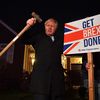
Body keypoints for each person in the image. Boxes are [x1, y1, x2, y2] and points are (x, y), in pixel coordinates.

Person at [22, 17, 66, 100]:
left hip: (57, 84)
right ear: (44, 26)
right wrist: (28, 26)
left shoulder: (60, 40)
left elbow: (73, 49)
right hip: (40, 83)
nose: (49, 28)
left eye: (52, 26)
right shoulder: (39, 37)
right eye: (47, 25)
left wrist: (85, 63)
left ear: (56, 28)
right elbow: (24, 39)